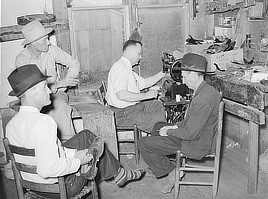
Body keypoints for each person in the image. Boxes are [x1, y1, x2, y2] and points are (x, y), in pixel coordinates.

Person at [6, 64, 145, 198]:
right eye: (44, 87)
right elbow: (47, 169)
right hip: (62, 187)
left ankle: (104, 167)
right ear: (30, 93)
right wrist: (79, 161)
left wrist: (74, 153)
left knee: (85, 136)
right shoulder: (43, 122)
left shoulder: (11, 125)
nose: (49, 91)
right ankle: (101, 168)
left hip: (32, 185)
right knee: (92, 156)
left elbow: (49, 152)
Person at [137, 53, 221, 193]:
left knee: (143, 144)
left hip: (195, 144)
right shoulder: (207, 90)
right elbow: (191, 121)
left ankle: (172, 171)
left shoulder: (202, 99)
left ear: (194, 74)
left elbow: (190, 133)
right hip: (197, 136)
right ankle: (163, 164)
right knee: (158, 126)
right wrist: (175, 126)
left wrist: (170, 131)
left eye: (184, 76)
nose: (182, 80)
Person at [15, 20, 79, 141]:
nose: (49, 42)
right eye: (45, 39)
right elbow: (31, 89)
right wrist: (61, 83)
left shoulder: (51, 50)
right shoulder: (22, 60)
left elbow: (74, 63)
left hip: (55, 95)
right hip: (34, 98)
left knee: (60, 106)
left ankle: (70, 142)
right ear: (33, 43)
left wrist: (68, 80)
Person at [106, 39, 166, 133]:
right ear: (130, 53)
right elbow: (122, 95)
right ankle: (159, 138)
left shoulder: (127, 68)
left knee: (157, 105)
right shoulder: (120, 69)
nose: (141, 57)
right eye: (139, 54)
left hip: (130, 108)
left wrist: (163, 73)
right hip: (123, 114)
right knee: (157, 120)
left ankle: (158, 134)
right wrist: (147, 95)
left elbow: (144, 83)